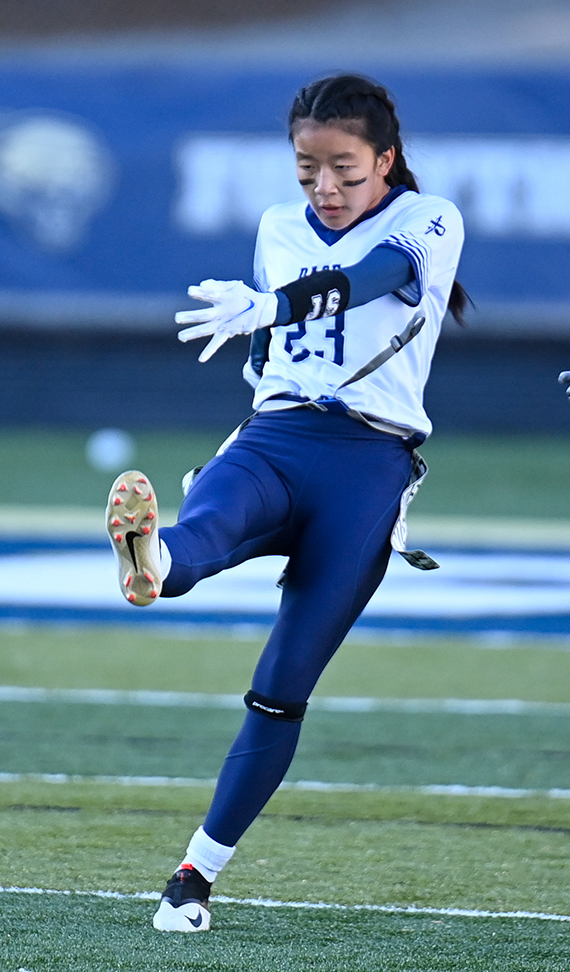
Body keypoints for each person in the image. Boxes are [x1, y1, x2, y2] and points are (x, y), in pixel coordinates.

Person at [105, 74, 466, 932]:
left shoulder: (431, 218)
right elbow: (273, 347)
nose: (325, 188)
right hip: (277, 434)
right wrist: (260, 333)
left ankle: (195, 875)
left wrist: (273, 304)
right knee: (197, 537)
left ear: (385, 159)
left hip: (368, 466)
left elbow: (373, 277)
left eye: (344, 169)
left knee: (281, 686)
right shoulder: (277, 226)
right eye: (308, 170)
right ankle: (150, 556)